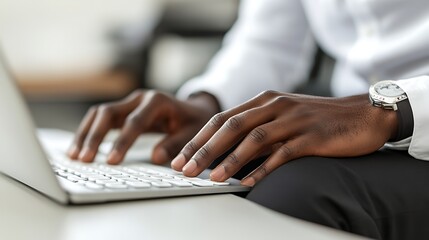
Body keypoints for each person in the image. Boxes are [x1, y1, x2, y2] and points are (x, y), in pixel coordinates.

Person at [68, 0, 429, 239]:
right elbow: (269, 39)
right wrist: (209, 104)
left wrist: (392, 109)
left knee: (296, 192)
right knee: (197, 174)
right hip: (354, 114)